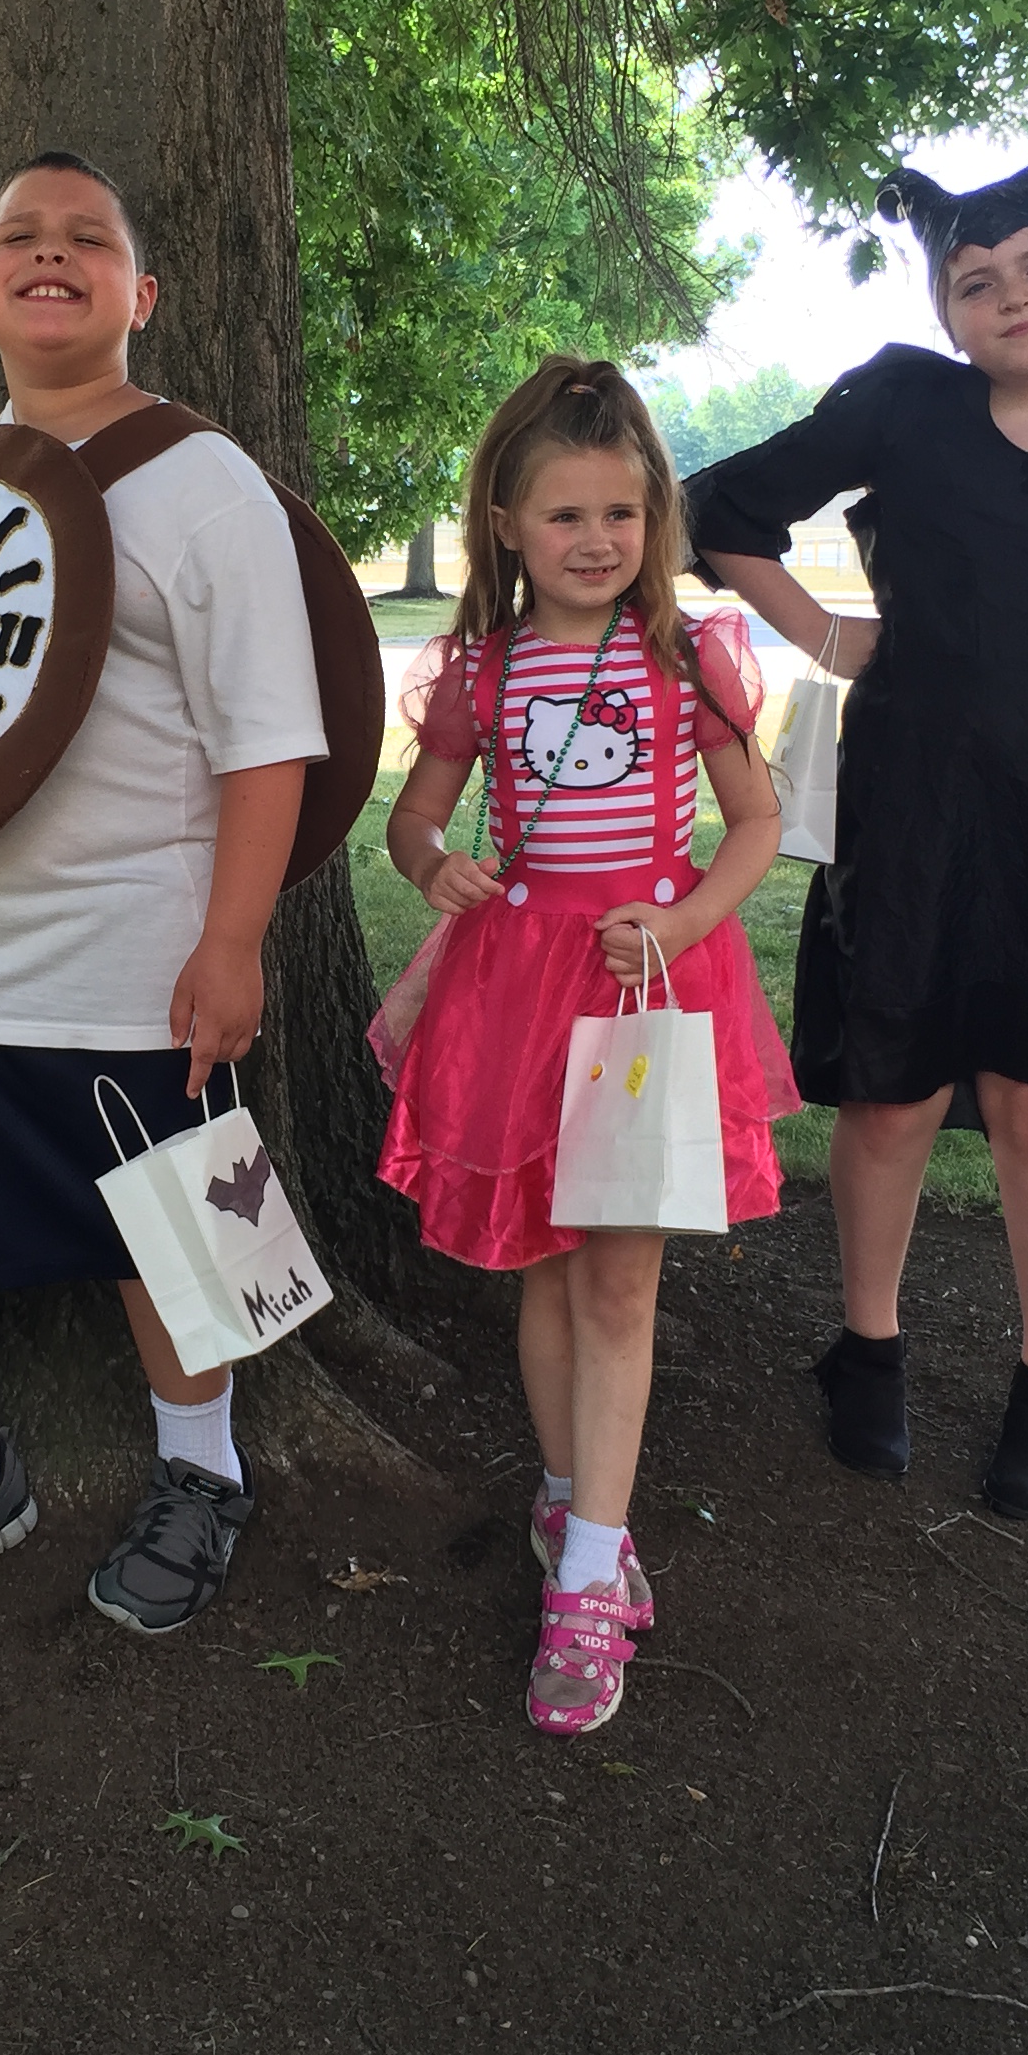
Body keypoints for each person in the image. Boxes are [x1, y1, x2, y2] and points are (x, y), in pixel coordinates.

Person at [0, 151, 327, 1638]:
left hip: (137, 964)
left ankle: (205, 1470)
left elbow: (270, 738)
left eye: (88, 238)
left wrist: (235, 941)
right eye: (19, 236)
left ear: (140, 295)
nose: (51, 252)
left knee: (189, 1231)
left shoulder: (206, 483)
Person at [686, 114, 1028, 1518]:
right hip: (907, 814)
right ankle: (866, 1354)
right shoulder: (902, 407)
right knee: (889, 1090)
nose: (1011, 297)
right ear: (944, 308)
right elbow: (721, 510)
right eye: (975, 280)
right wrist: (824, 632)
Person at [377, 357, 791, 1737]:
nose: (597, 540)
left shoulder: (690, 659)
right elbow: (415, 819)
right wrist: (433, 864)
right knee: (545, 1272)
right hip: (514, 996)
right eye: (566, 515)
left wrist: (682, 922)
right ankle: (568, 1502)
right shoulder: (481, 672)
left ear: (654, 518)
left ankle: (594, 1575)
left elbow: (755, 826)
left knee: (621, 1279)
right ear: (506, 524)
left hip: (646, 995)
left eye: (622, 512)